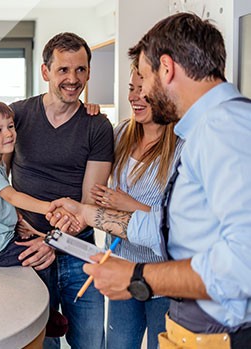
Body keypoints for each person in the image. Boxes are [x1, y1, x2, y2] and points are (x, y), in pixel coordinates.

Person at [47, 12, 251, 349]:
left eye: (144, 77)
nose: (141, 93)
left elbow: (242, 264)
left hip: (225, 336)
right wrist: (86, 214)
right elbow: (167, 228)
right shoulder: (207, 128)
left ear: (166, 69)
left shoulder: (223, 128)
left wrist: (138, 276)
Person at [0, 32, 114, 349]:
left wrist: (53, 241)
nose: (73, 79)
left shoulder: (97, 126)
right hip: (22, 248)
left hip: (75, 250)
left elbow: (88, 204)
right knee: (38, 342)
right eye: (63, 70)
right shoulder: (18, 116)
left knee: (91, 342)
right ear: (45, 72)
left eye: (81, 70)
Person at [90, 62, 183, 349]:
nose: (133, 96)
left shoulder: (183, 147)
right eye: (131, 88)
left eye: (143, 90)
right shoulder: (119, 134)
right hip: (120, 266)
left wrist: (131, 205)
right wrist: (86, 117)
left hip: (163, 278)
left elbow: (180, 223)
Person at [0, 98, 70, 338]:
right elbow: (13, 196)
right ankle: (43, 315)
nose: (8, 133)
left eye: (10, 126)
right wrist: (49, 208)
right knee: (39, 259)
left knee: (36, 247)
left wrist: (19, 222)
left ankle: (38, 311)